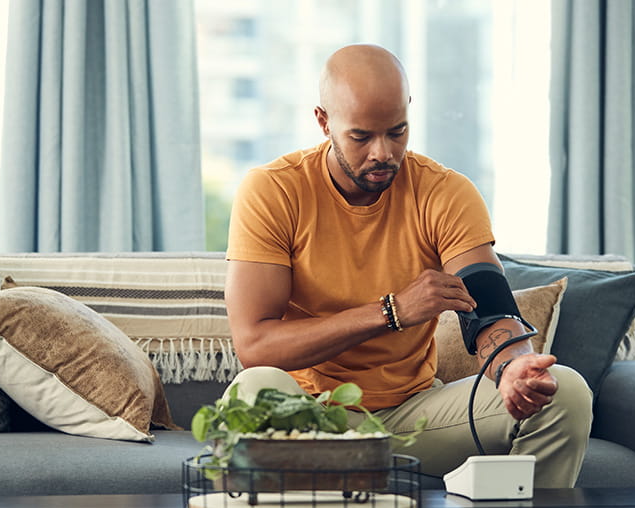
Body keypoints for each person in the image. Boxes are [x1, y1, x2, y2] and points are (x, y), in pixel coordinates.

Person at [224, 43, 592, 488]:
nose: (383, 153)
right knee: (253, 390)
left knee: (566, 392)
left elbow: (490, 309)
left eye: (397, 131)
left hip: (414, 418)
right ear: (324, 122)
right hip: (309, 416)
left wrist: (513, 364)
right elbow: (255, 345)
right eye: (361, 137)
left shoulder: (444, 192)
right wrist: (391, 311)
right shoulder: (274, 190)